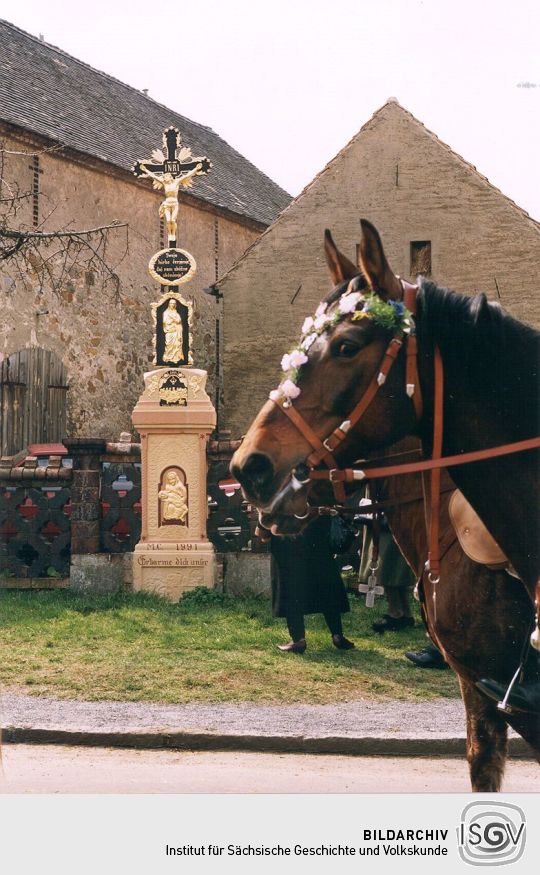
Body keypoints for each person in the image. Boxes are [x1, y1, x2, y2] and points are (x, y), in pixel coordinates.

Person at [270, 516, 354, 653]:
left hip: (288, 535)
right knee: (325, 584)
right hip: (316, 527)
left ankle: (298, 640)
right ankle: (337, 635)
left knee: (292, 588)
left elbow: (262, 534)